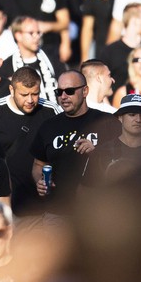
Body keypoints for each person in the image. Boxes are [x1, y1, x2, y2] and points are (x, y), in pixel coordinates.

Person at [31, 70, 107, 209]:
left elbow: (123, 160)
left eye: (70, 91)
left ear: (85, 91)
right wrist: (40, 181)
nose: (63, 97)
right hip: (57, 212)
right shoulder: (49, 126)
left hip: (96, 213)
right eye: (59, 92)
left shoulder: (106, 122)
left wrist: (97, 153)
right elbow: (38, 164)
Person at [0, 14, 63, 105]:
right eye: (31, 33)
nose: (37, 37)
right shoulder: (7, 67)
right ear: (18, 35)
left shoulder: (52, 58)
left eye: (38, 32)